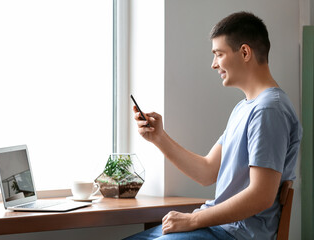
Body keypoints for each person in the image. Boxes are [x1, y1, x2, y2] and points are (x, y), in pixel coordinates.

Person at [124, 11, 302, 240]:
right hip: (219, 228)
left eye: (219, 54)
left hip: (237, 234)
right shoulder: (245, 108)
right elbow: (207, 171)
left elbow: (261, 195)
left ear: (245, 52)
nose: (213, 64)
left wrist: (192, 219)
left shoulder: (269, 109)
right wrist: (159, 137)